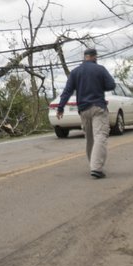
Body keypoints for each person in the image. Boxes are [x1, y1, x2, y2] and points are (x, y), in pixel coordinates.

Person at [56, 46, 116, 179]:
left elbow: (67, 91)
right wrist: (100, 85)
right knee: (100, 136)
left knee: (90, 139)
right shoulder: (100, 69)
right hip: (98, 108)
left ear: (85, 57)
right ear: (94, 57)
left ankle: (93, 165)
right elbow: (111, 85)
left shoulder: (76, 72)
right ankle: (96, 168)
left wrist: (60, 108)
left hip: (83, 110)